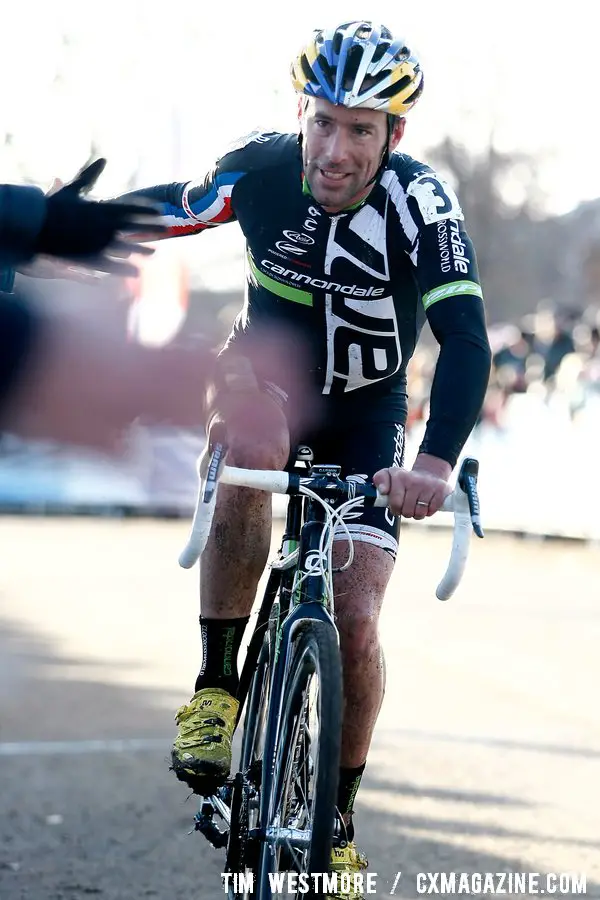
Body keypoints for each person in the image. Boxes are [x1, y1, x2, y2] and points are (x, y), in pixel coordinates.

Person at [118, 21, 492, 898]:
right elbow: (164, 212)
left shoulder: (421, 205)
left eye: (361, 130)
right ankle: (217, 689)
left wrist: (434, 465)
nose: (334, 149)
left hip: (368, 416)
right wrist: (49, 228)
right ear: (301, 114)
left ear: (393, 137)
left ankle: (337, 822)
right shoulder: (259, 169)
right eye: (322, 122)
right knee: (252, 438)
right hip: (267, 378)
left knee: (357, 617)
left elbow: (466, 341)